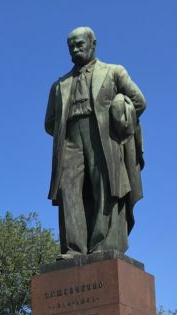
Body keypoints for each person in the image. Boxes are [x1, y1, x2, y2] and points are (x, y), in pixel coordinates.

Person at [45, 26, 146, 257]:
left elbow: (139, 101)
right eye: (71, 46)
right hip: (70, 137)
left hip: (102, 135)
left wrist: (119, 114)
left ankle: (105, 244)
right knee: (69, 191)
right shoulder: (59, 85)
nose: (75, 49)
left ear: (93, 43)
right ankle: (74, 249)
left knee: (105, 187)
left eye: (80, 44)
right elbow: (50, 122)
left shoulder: (113, 71)